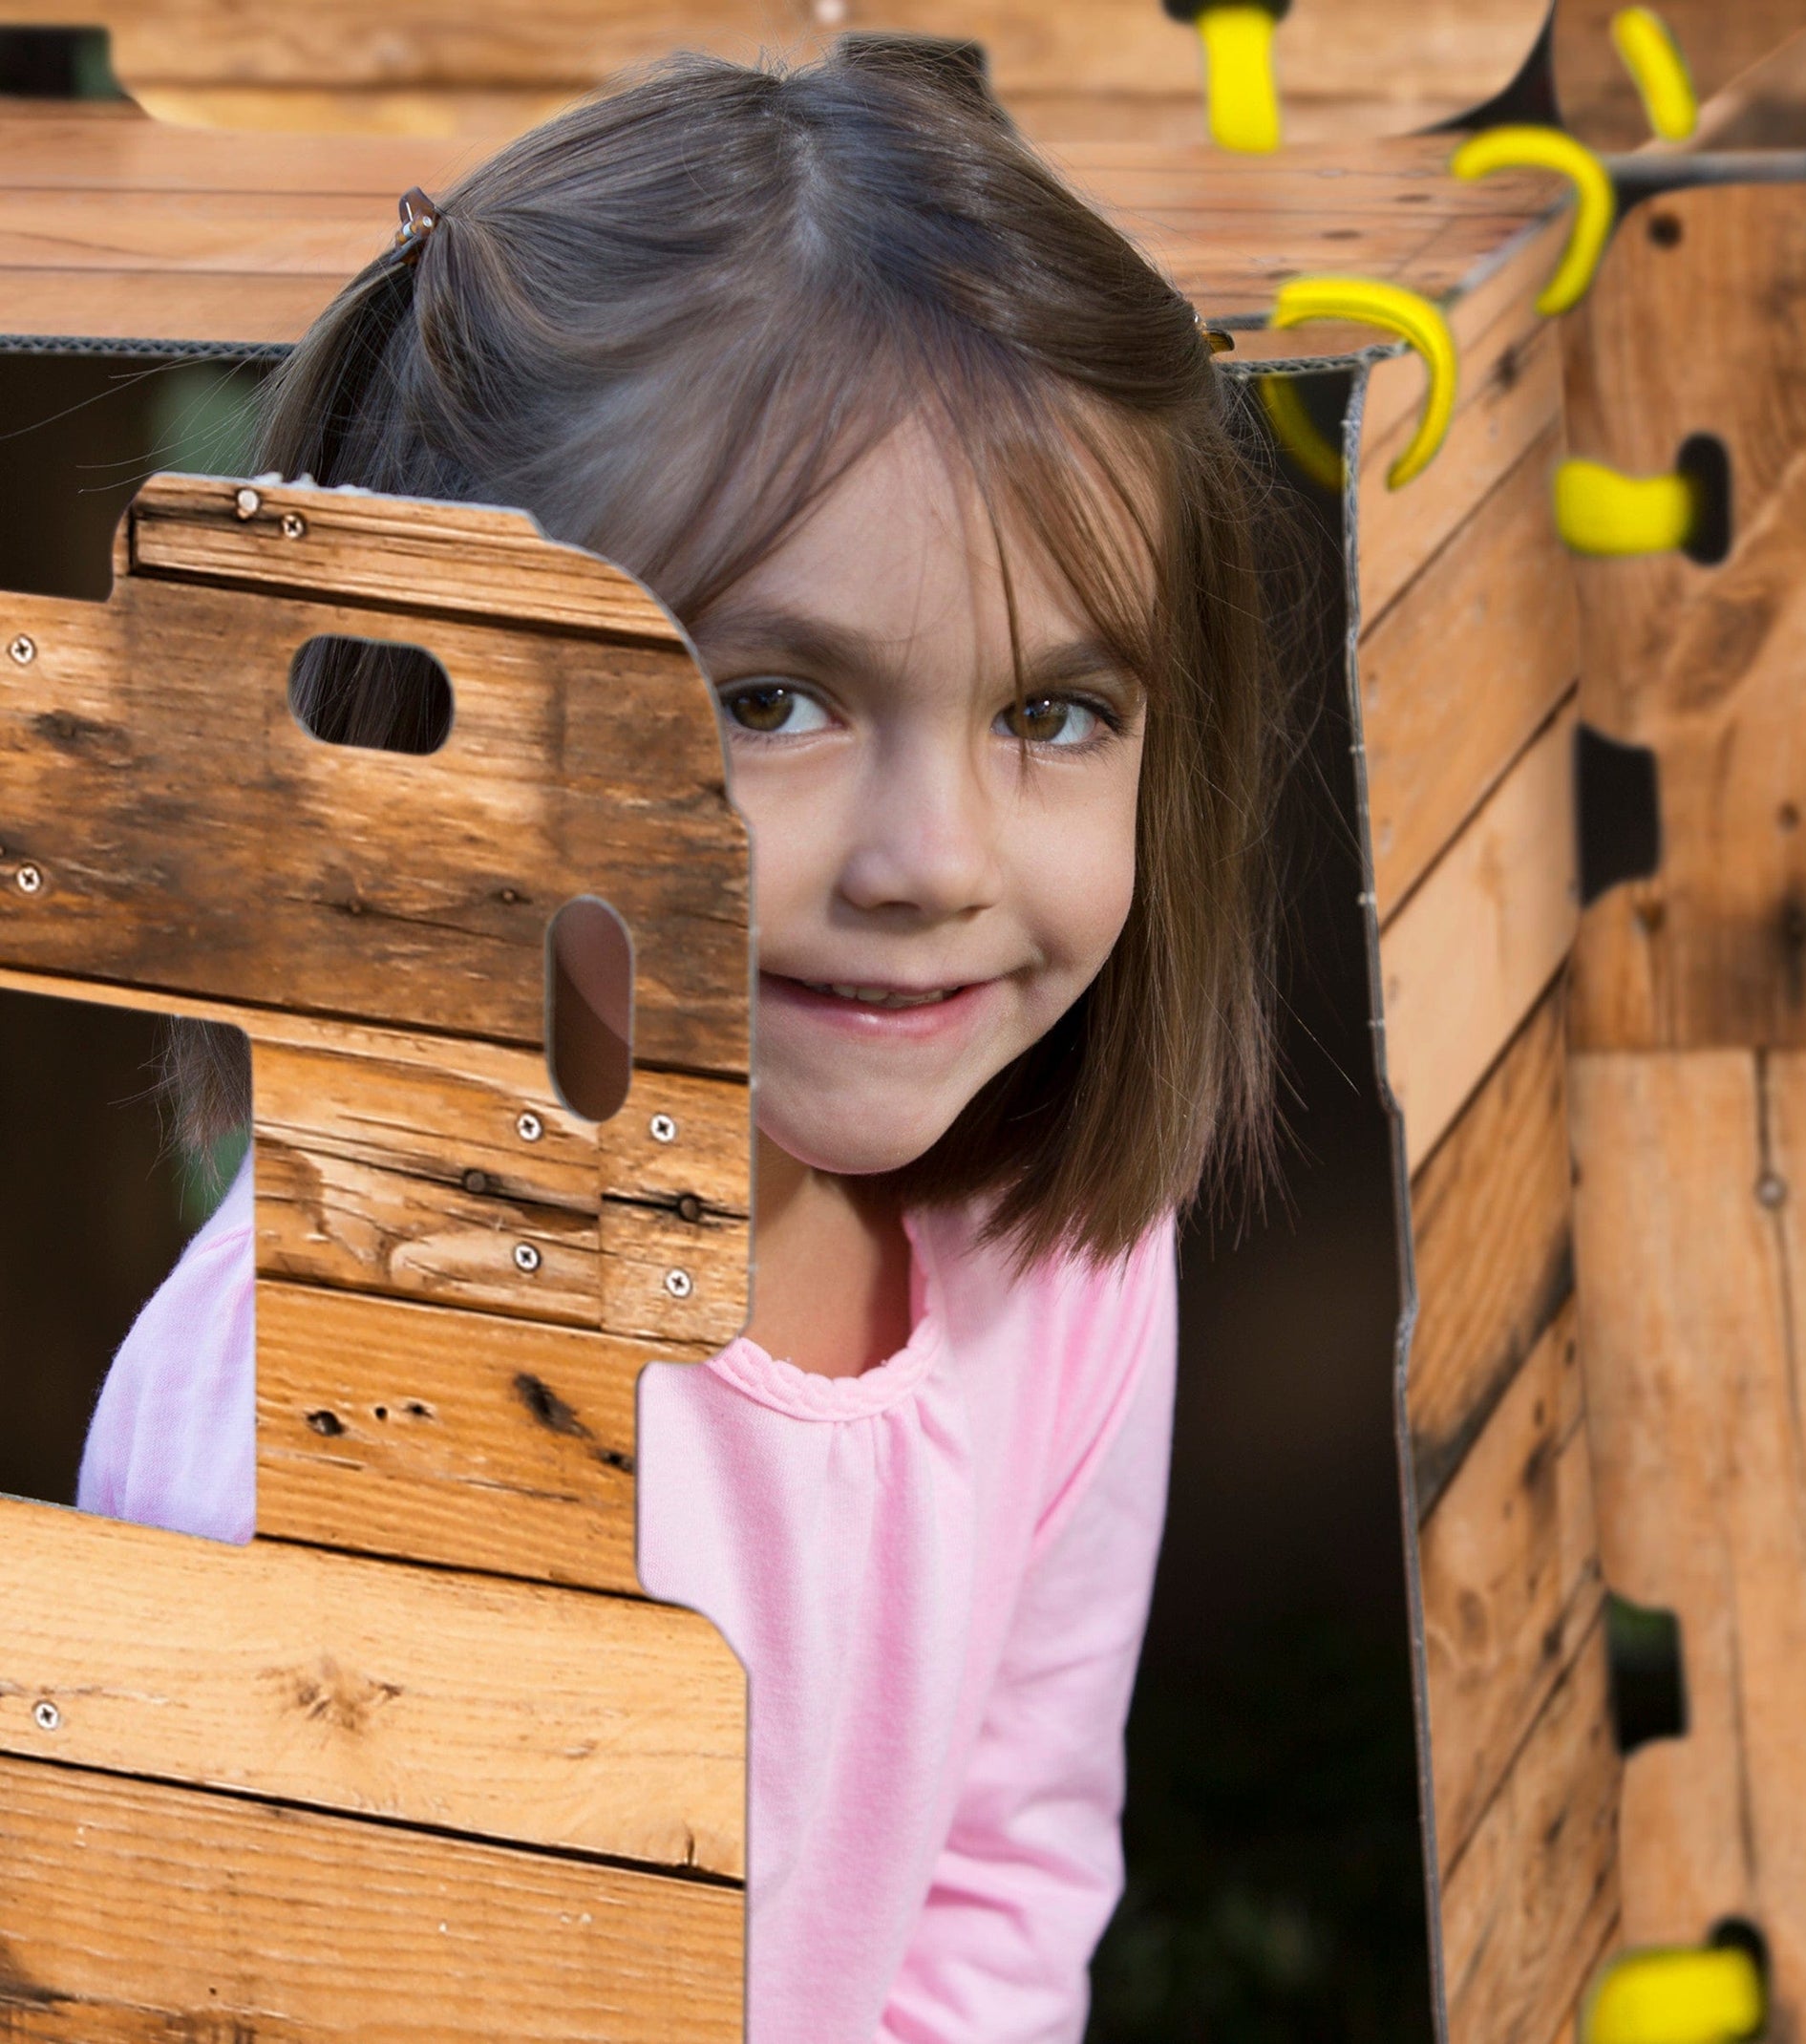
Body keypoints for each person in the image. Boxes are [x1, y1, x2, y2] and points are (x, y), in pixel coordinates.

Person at [78, 37, 1285, 2043]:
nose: (930, 862)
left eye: (1052, 712)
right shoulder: (327, 1405)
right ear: (436, 709)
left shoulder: (1057, 1261)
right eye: (771, 699)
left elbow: (998, 1876)